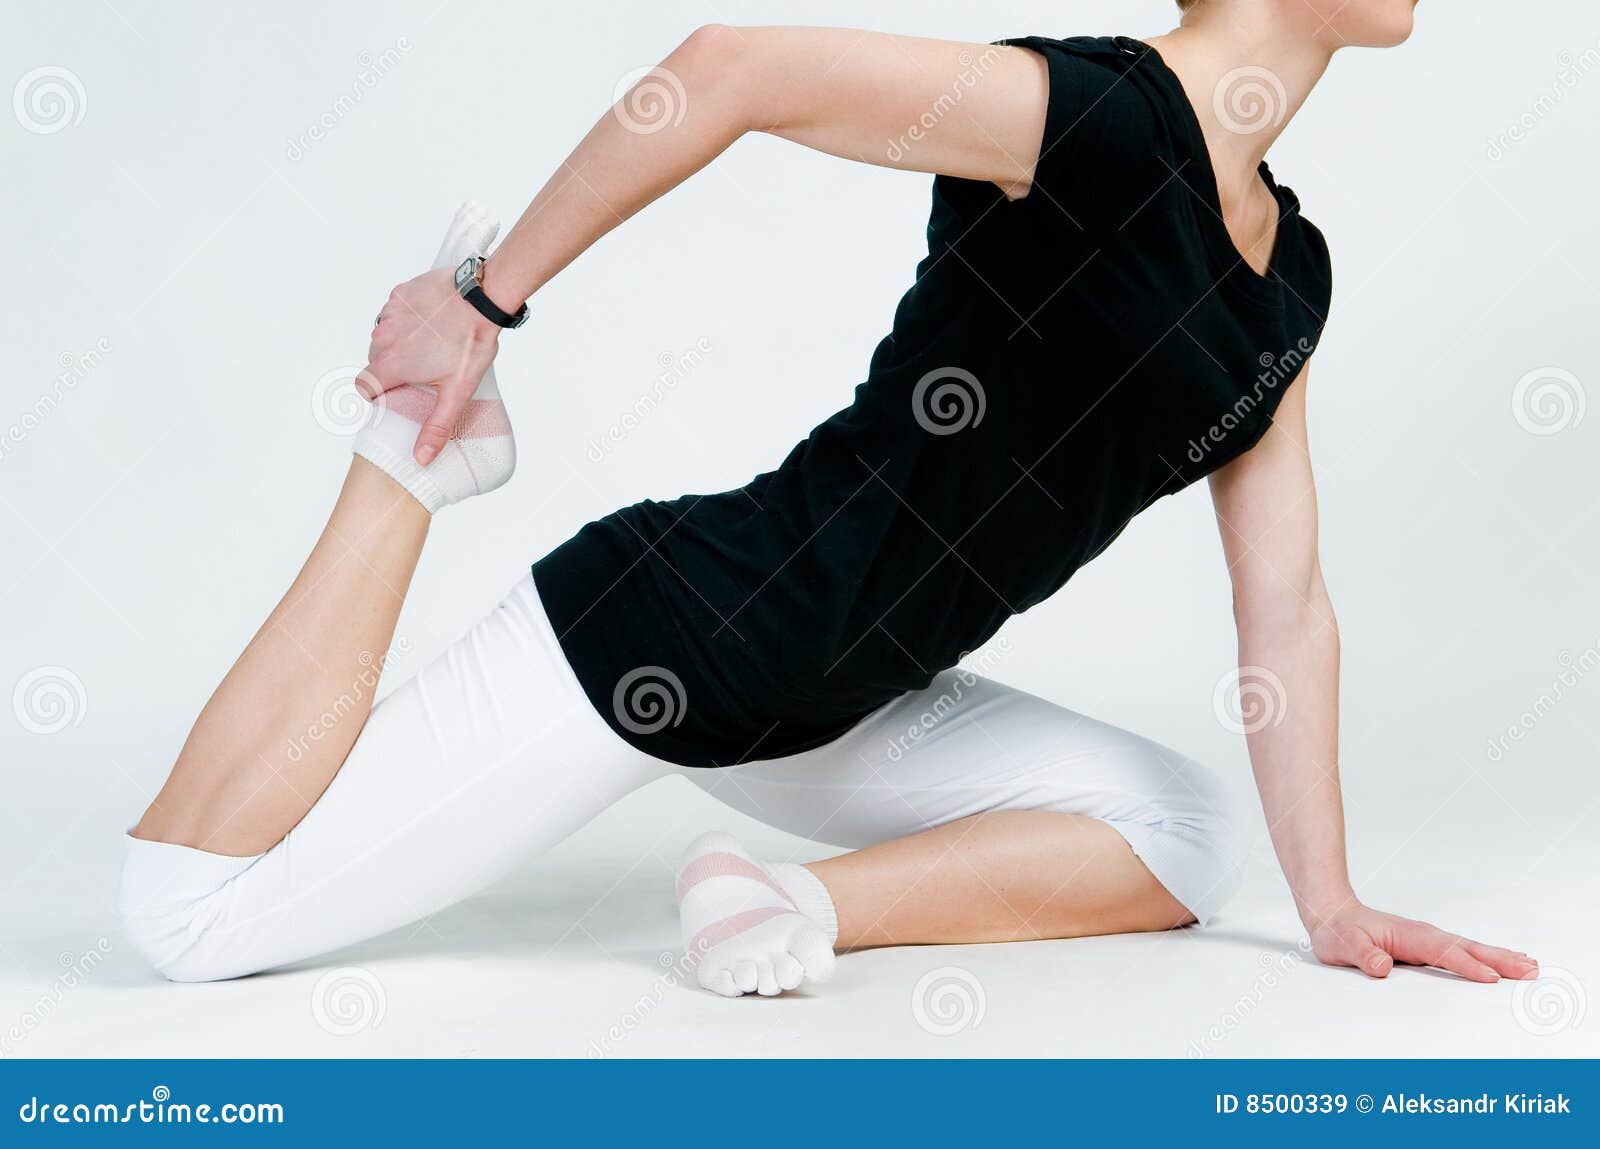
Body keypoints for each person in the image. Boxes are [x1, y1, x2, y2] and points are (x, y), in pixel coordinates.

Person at [120, 1, 1538, 998]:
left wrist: (1334, 901)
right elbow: (730, 67)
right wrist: (484, 301)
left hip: (852, 699)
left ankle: (788, 899)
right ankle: (415, 464)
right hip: (678, 637)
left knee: (1190, 834)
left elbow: (1284, 606)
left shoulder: (1290, 282)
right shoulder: (1096, 117)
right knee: (187, 919)